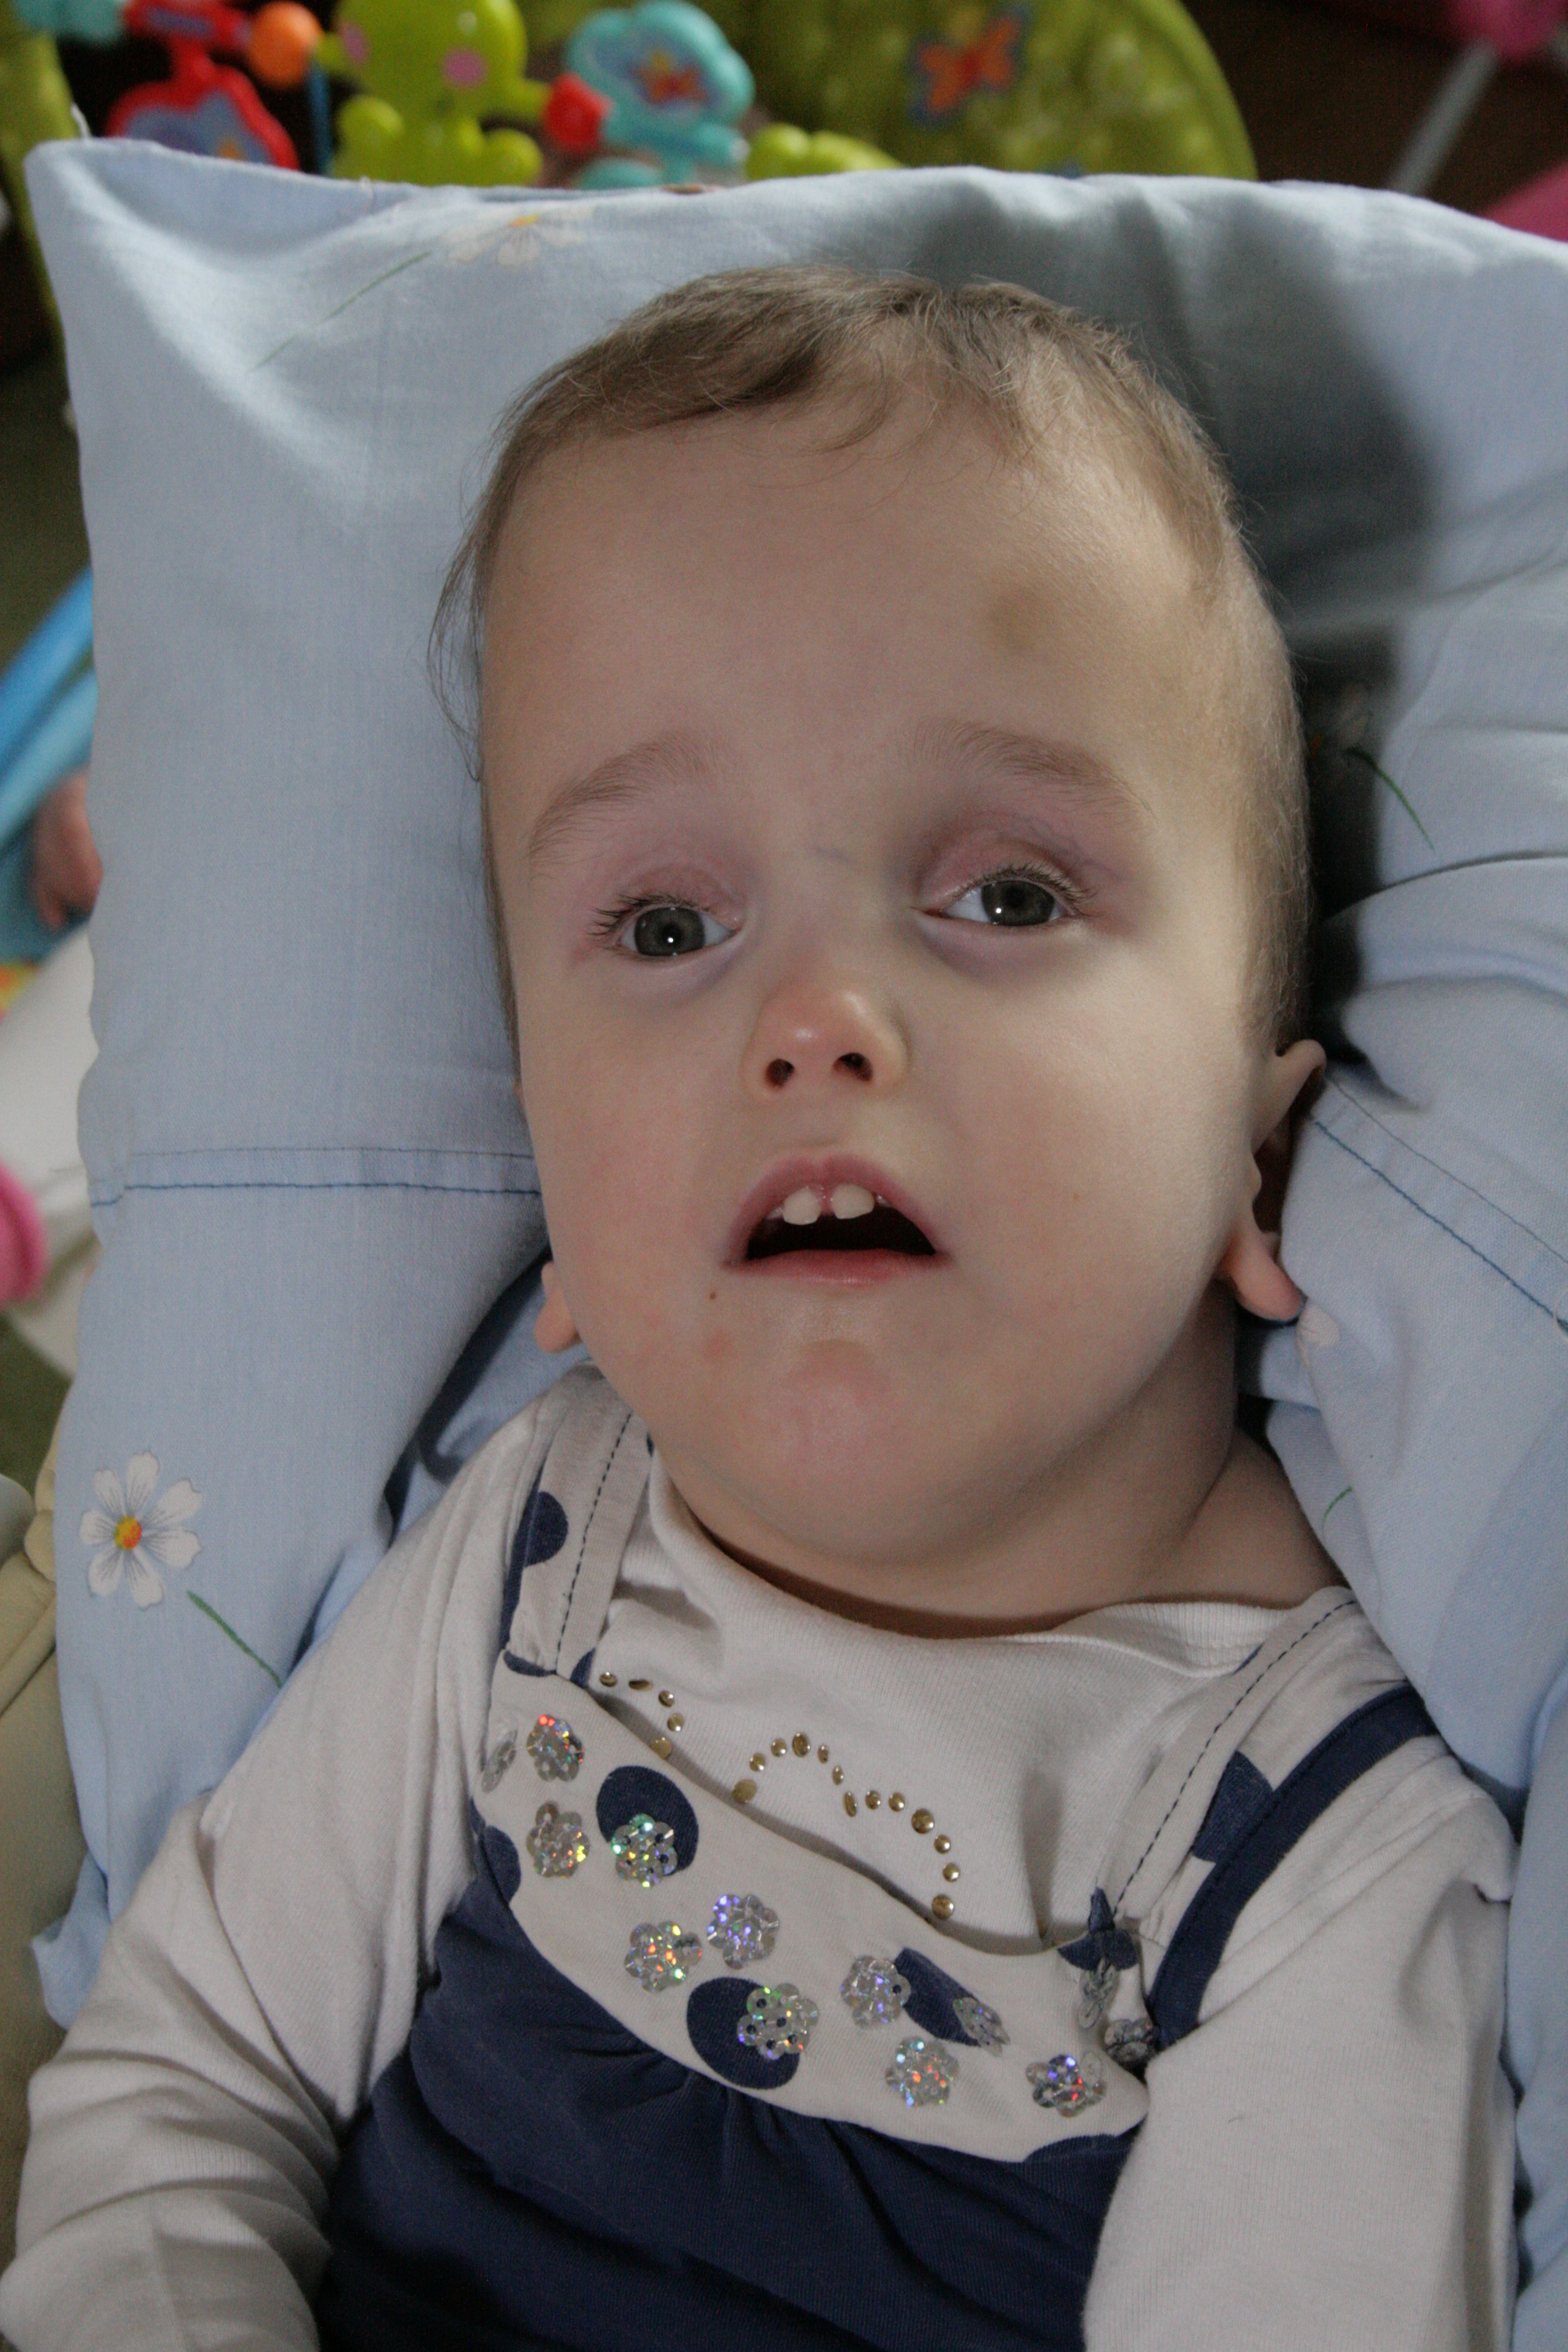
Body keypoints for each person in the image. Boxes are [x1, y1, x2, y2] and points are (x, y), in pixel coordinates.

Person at [0, 266, 1517, 2351]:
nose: (816, 1015)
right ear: (550, 1194)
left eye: (1007, 893)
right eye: (664, 923)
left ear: (1255, 1165)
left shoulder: (1309, 1860)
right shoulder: (536, 1558)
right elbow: (183, 2076)